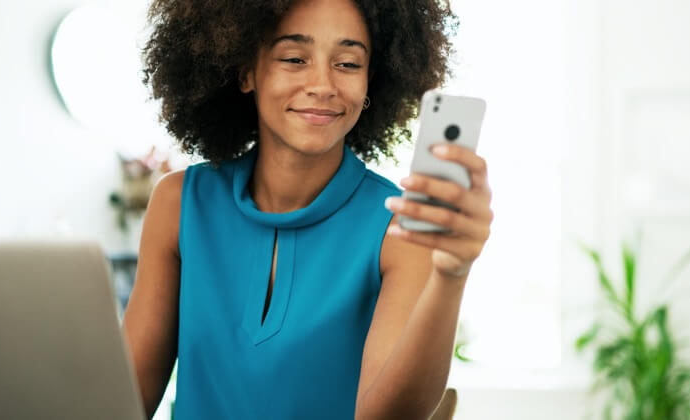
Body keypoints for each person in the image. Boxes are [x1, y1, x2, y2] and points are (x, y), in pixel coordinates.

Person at [121, 0, 494, 418]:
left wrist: (451, 275)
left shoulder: (401, 227)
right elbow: (122, 402)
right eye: (295, 58)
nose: (323, 84)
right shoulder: (180, 203)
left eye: (348, 63)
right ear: (246, 71)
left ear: (372, 78)